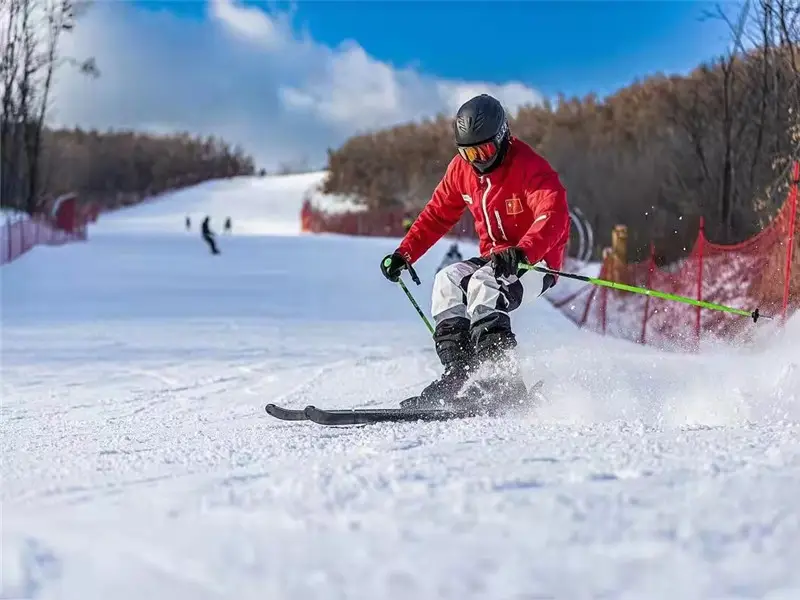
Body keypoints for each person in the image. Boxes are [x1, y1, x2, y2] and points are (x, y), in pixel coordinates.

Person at [380, 93, 570, 411]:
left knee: (486, 284)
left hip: (535, 261)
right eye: (468, 152)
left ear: (502, 137)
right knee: (447, 280)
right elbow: (437, 214)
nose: (477, 160)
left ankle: (500, 380)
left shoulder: (530, 168)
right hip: (492, 258)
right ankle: (459, 374)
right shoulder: (462, 171)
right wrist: (405, 253)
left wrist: (524, 252)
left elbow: (554, 216)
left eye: (484, 150)